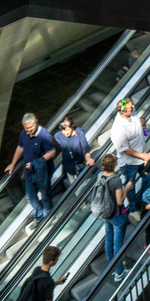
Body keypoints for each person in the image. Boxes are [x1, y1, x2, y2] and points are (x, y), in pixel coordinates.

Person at [5, 113, 58, 220]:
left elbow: (52, 152)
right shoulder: (24, 133)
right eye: (27, 128)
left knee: (45, 196)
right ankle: (39, 216)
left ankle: (48, 217)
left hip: (43, 171)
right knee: (30, 197)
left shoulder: (44, 135)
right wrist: (13, 163)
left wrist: (37, 162)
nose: (29, 130)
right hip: (29, 172)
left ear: (36, 122)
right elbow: (20, 147)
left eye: (31, 127)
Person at [90, 154, 130, 282]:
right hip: (116, 215)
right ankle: (119, 272)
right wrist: (127, 189)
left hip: (105, 213)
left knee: (109, 240)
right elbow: (119, 201)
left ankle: (112, 268)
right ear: (114, 164)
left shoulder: (100, 175)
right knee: (118, 243)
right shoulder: (116, 180)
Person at [54, 115, 93, 188]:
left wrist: (88, 158)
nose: (66, 133)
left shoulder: (79, 132)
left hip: (80, 162)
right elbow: (57, 138)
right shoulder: (59, 135)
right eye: (64, 131)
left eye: (68, 130)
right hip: (68, 165)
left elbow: (85, 145)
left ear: (72, 127)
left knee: (85, 183)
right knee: (74, 186)